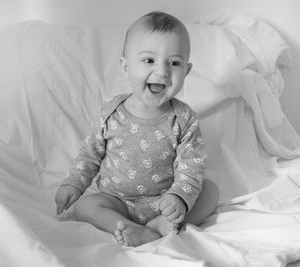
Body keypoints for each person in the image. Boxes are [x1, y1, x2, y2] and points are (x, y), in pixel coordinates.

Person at [55, 11, 219, 247]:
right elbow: (90, 154)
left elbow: (191, 165)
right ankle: (126, 227)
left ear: (187, 70)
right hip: (117, 201)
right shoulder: (111, 112)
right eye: (149, 60)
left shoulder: (184, 118)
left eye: (174, 63)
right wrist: (74, 183)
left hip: (165, 201)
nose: (162, 72)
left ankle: (164, 224)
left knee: (210, 191)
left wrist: (179, 198)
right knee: (85, 206)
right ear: (126, 67)